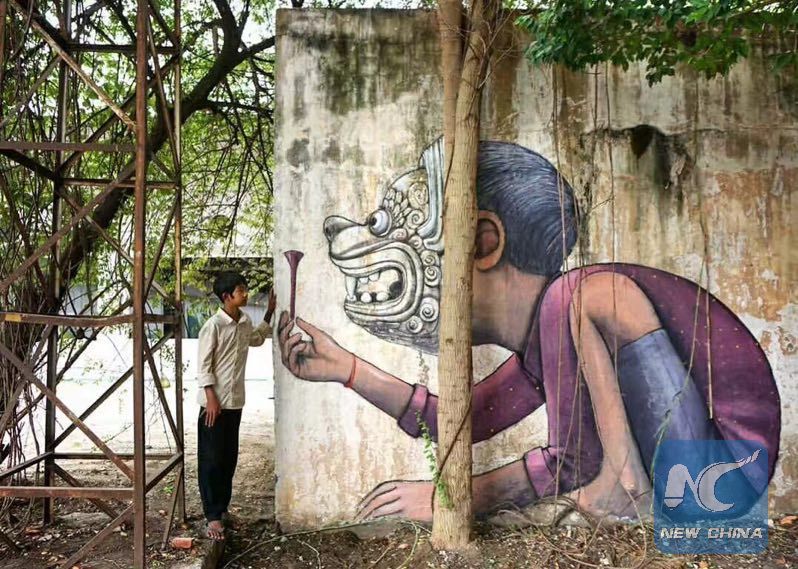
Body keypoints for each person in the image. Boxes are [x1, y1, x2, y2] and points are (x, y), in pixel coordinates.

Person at [277, 141, 780, 522]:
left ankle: (624, 482)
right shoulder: (550, 337)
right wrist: (347, 369)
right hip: (704, 481)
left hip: (718, 472)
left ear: (483, 242)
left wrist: (454, 499)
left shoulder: (572, 300)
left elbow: (573, 460)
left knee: (594, 292)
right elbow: (464, 420)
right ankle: (623, 483)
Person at [197, 273, 276, 540]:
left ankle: (222, 508)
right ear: (226, 296)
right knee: (211, 460)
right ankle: (212, 517)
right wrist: (211, 398)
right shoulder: (213, 326)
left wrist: (269, 313)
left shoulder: (244, 322)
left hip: (234, 403)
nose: (246, 294)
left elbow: (256, 339)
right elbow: (204, 366)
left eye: (245, 289)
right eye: (241, 290)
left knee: (228, 457)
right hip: (213, 405)